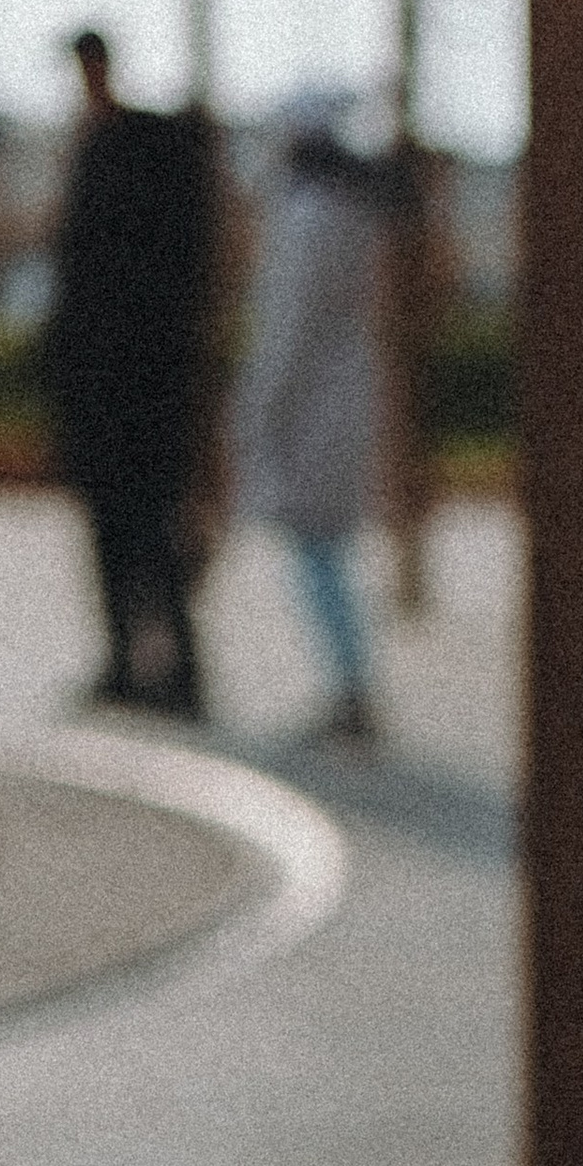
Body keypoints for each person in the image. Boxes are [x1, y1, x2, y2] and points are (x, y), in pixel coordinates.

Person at [40, 29, 220, 718]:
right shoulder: (122, 153)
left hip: (128, 390)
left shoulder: (127, 154)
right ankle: (136, 663)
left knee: (142, 532)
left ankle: (164, 667)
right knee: (129, 533)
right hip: (127, 389)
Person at [233, 92, 396, 750]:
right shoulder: (351, 214)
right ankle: (351, 684)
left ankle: (350, 688)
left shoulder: (307, 219)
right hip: (341, 397)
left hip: (312, 410)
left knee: (318, 554)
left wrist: (255, 416)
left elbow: (286, 337)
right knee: (326, 551)